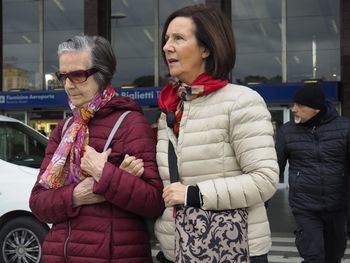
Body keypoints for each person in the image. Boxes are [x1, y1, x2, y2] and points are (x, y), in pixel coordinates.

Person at [153, 4, 279, 263]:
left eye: (178, 38)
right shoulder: (171, 107)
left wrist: (194, 194)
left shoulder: (241, 101)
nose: (167, 47)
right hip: (177, 249)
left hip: (231, 250)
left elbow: (265, 180)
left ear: (206, 48)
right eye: (166, 39)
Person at [29, 35, 164, 263]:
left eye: (78, 75)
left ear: (101, 75)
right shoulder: (65, 129)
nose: (68, 85)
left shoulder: (131, 124)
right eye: (63, 76)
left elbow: (154, 202)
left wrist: (105, 175)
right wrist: (76, 195)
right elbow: (38, 204)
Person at [275, 83, 350, 263]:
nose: (294, 109)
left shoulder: (345, 128)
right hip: (305, 208)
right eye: (294, 104)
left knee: (334, 256)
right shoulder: (287, 132)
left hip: (338, 207)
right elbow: (274, 167)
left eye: (300, 105)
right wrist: (262, 200)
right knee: (313, 256)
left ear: (316, 108)